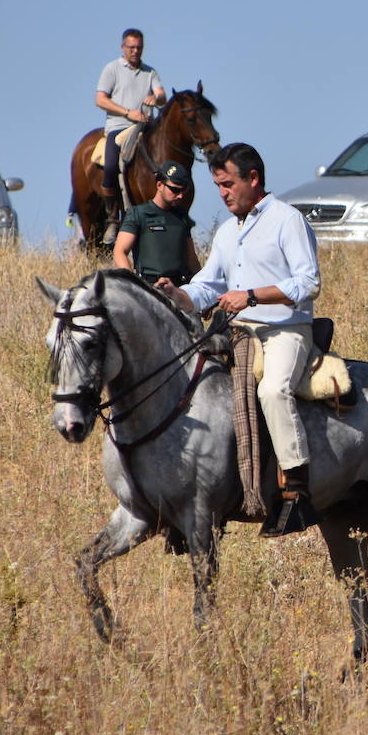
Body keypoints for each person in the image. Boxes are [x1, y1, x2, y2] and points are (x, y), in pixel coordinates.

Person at [156, 143, 322, 536]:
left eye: (229, 184)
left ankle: (297, 492)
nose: (224, 193)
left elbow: (308, 282)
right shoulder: (229, 232)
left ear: (253, 179)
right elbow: (205, 286)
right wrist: (175, 294)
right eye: (218, 186)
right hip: (238, 334)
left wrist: (250, 296)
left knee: (272, 392)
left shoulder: (287, 220)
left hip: (285, 329)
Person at [96, 28, 166, 245]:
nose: (135, 51)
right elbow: (100, 99)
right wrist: (128, 112)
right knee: (110, 167)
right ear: (123, 47)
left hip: (145, 126)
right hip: (120, 126)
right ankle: (112, 218)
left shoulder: (150, 72)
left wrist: (157, 97)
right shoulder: (112, 69)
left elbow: (162, 94)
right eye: (131, 47)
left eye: (139, 47)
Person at [113, 160, 201, 284]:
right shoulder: (138, 214)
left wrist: (201, 286)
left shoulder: (182, 216)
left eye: (183, 191)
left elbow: (191, 258)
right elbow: (119, 251)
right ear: (159, 185)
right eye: (175, 190)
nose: (180, 196)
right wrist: (134, 285)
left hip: (180, 287)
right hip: (150, 288)